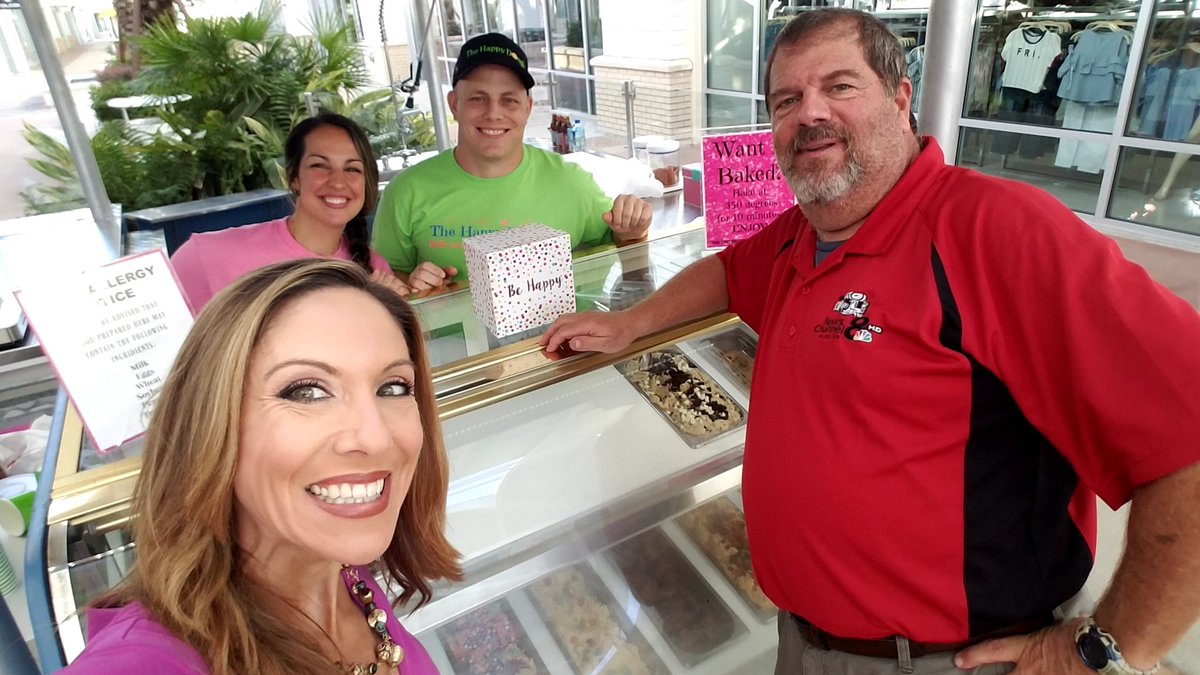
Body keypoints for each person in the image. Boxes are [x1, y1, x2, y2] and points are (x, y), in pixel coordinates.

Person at [542, 9, 1200, 675]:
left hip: (953, 659)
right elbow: (727, 270)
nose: (810, 114)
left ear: (901, 98)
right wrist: (632, 322)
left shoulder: (999, 232)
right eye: (786, 100)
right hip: (804, 644)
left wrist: (1105, 648)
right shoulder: (802, 234)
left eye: (840, 87)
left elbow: (1190, 439)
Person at [62, 259, 461, 674]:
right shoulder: (144, 662)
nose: (376, 437)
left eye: (392, 387)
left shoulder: (347, 579)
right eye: (306, 392)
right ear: (211, 426)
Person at [371, 32, 653, 293]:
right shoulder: (407, 190)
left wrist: (632, 227)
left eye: (509, 100)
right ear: (454, 104)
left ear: (528, 108)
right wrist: (415, 284)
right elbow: (386, 278)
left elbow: (622, 244)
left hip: (562, 344)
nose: (493, 114)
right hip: (458, 347)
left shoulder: (572, 183)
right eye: (478, 99)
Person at [171, 114, 409, 312]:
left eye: (352, 169)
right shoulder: (208, 255)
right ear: (293, 177)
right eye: (319, 165)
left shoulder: (375, 269)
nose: (338, 182)